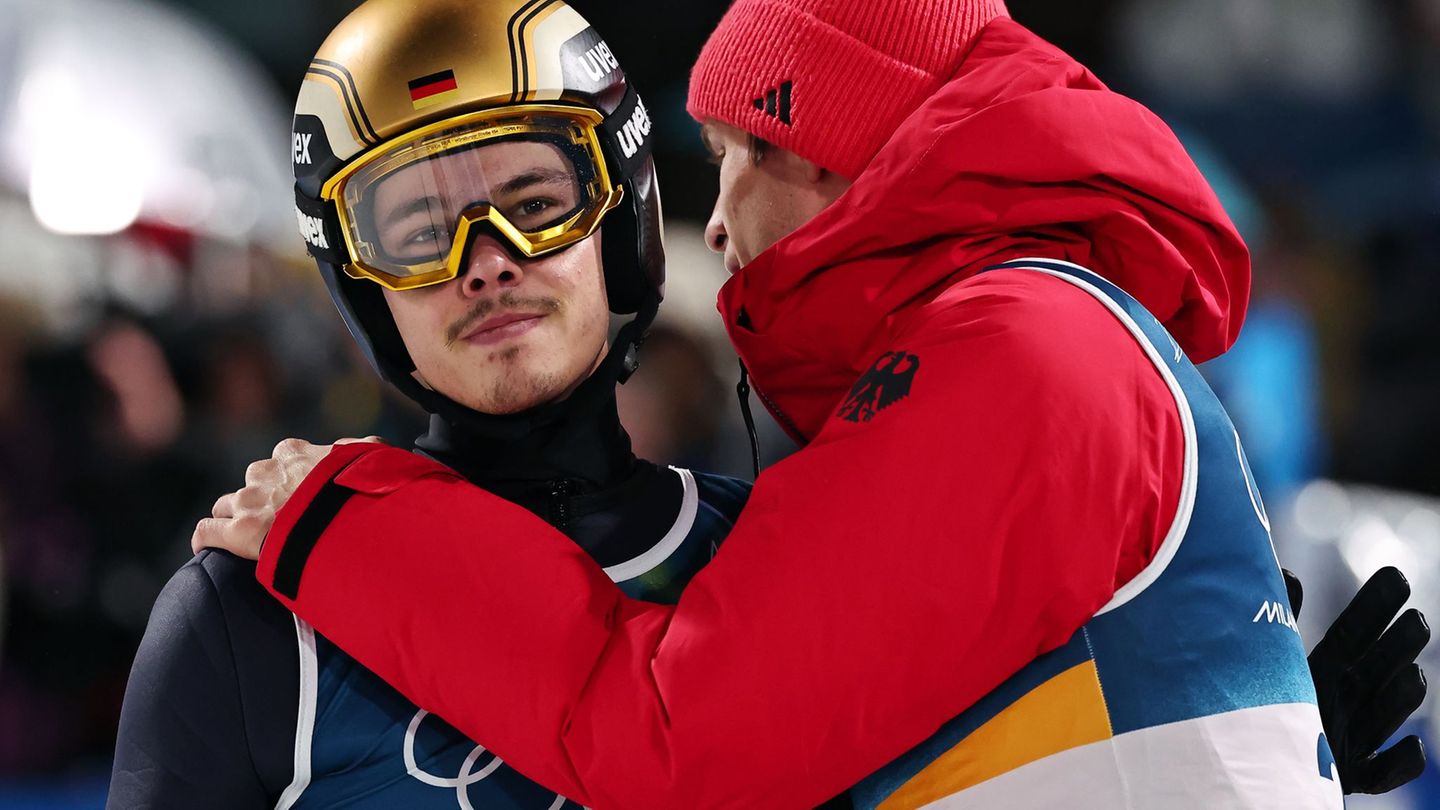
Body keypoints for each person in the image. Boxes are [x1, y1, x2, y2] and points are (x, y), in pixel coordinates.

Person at [194, 0, 1430, 807]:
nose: (719, 218)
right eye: (416, 226)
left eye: (736, 155)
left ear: (828, 146)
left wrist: (347, 527)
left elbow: (686, 739)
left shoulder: (1022, 347)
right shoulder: (1018, 345)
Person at [106, 1, 751, 806]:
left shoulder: (767, 552)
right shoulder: (248, 618)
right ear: (365, 290)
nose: (485, 263)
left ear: (617, 221)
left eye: (536, 206)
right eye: (418, 231)